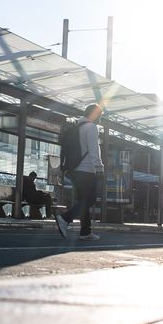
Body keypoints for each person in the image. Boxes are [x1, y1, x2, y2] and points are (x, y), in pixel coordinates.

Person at [56, 103, 105, 241]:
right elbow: (93, 150)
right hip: (87, 170)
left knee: (83, 200)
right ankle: (65, 218)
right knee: (90, 199)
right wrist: (99, 168)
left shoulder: (78, 127)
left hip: (75, 170)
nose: (100, 119)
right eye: (100, 116)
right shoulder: (91, 128)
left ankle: (85, 232)